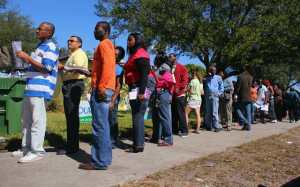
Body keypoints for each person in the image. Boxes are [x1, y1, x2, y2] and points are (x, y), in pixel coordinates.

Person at [12, 22, 59, 163]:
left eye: (40, 29)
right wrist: (23, 63)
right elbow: (34, 66)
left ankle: (37, 151)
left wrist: (27, 58)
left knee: (37, 120)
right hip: (30, 87)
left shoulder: (51, 47)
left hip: (40, 89)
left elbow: (47, 68)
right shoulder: (39, 47)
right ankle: (26, 148)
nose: (36, 30)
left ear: (49, 33)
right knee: (26, 121)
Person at [79, 21, 115, 170]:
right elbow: (103, 67)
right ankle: (104, 160)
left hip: (102, 88)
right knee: (103, 126)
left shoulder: (104, 44)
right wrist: (91, 73)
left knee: (99, 126)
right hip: (105, 87)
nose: (94, 31)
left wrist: (100, 86)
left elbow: (108, 66)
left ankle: (99, 162)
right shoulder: (106, 44)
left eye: (97, 28)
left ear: (105, 31)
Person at [57, 36, 88, 155]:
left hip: (74, 84)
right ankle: (72, 144)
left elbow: (78, 69)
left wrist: (62, 67)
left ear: (79, 44)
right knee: (71, 116)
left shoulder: (79, 54)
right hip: (70, 84)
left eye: (72, 41)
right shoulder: (73, 54)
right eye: (68, 40)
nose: (69, 42)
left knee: (72, 115)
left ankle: (72, 147)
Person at [124, 32, 151, 153]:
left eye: (130, 40)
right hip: (135, 87)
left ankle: (138, 145)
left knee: (138, 115)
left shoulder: (141, 54)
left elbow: (145, 75)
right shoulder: (135, 54)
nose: (128, 42)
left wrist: (141, 92)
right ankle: (138, 143)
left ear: (137, 40)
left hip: (139, 87)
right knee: (137, 115)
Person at [151, 52, 175, 146]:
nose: (155, 60)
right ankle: (156, 136)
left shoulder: (164, 67)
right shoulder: (162, 67)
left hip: (163, 93)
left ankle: (168, 139)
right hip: (159, 93)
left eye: (156, 58)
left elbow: (159, 78)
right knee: (157, 116)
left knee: (164, 116)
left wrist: (152, 72)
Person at [169, 53, 189, 137]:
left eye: (171, 58)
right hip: (171, 94)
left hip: (180, 94)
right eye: (169, 58)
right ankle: (175, 129)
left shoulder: (182, 68)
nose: (170, 59)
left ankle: (184, 130)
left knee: (181, 112)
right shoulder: (169, 68)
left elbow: (185, 81)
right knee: (173, 113)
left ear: (175, 58)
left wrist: (179, 87)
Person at [109, 46, 125, 149]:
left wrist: (113, 99)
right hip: (104, 95)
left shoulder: (119, 68)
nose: (112, 54)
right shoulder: (107, 65)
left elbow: (119, 85)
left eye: (115, 54)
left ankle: (114, 140)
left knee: (112, 118)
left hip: (113, 96)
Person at [204, 65, 224, 132]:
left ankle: (216, 126)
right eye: (212, 70)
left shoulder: (218, 77)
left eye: (214, 70)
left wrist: (219, 93)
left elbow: (221, 87)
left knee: (215, 112)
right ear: (210, 71)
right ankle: (208, 126)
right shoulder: (207, 78)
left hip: (215, 96)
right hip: (208, 96)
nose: (213, 72)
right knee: (208, 112)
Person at [235, 65, 253, 131]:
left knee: (237, 110)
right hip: (249, 96)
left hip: (241, 96)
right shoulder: (251, 77)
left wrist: (235, 94)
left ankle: (247, 123)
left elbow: (238, 87)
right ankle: (248, 127)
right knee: (248, 112)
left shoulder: (240, 76)